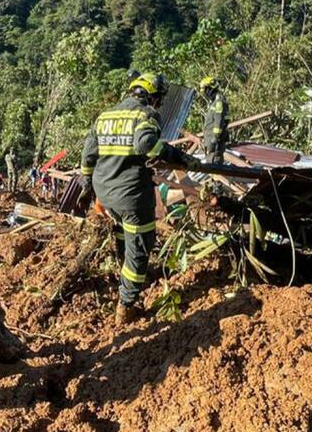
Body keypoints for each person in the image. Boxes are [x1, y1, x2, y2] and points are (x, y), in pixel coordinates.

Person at [80, 72, 197, 324]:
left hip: (106, 193)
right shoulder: (146, 115)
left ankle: (125, 269)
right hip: (131, 195)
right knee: (141, 245)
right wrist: (176, 155)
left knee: (124, 231)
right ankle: (126, 304)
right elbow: (146, 144)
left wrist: (87, 185)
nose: (159, 104)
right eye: (159, 99)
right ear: (152, 97)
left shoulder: (106, 116)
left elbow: (88, 156)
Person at [199, 76, 229, 165]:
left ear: (209, 89)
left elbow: (218, 123)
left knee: (214, 166)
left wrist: (214, 139)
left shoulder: (219, 102)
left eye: (205, 90)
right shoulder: (214, 102)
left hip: (215, 144)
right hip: (212, 143)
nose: (204, 93)